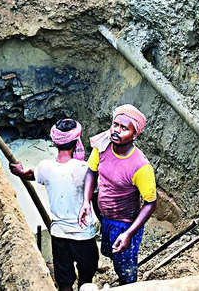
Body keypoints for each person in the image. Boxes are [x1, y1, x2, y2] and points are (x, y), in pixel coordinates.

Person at [10, 119, 98, 291]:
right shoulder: (84, 169)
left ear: (55, 142)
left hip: (59, 235)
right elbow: (97, 195)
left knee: (64, 281)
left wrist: (19, 171)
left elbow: (30, 174)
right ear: (76, 142)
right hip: (83, 235)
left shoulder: (45, 167)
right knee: (87, 278)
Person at [79, 105, 157, 284]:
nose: (116, 131)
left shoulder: (141, 167)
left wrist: (129, 233)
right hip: (106, 218)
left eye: (124, 128)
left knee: (125, 268)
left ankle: (127, 285)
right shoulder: (103, 146)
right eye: (115, 125)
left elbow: (150, 203)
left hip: (125, 223)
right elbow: (91, 171)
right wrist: (85, 202)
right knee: (112, 255)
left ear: (134, 135)